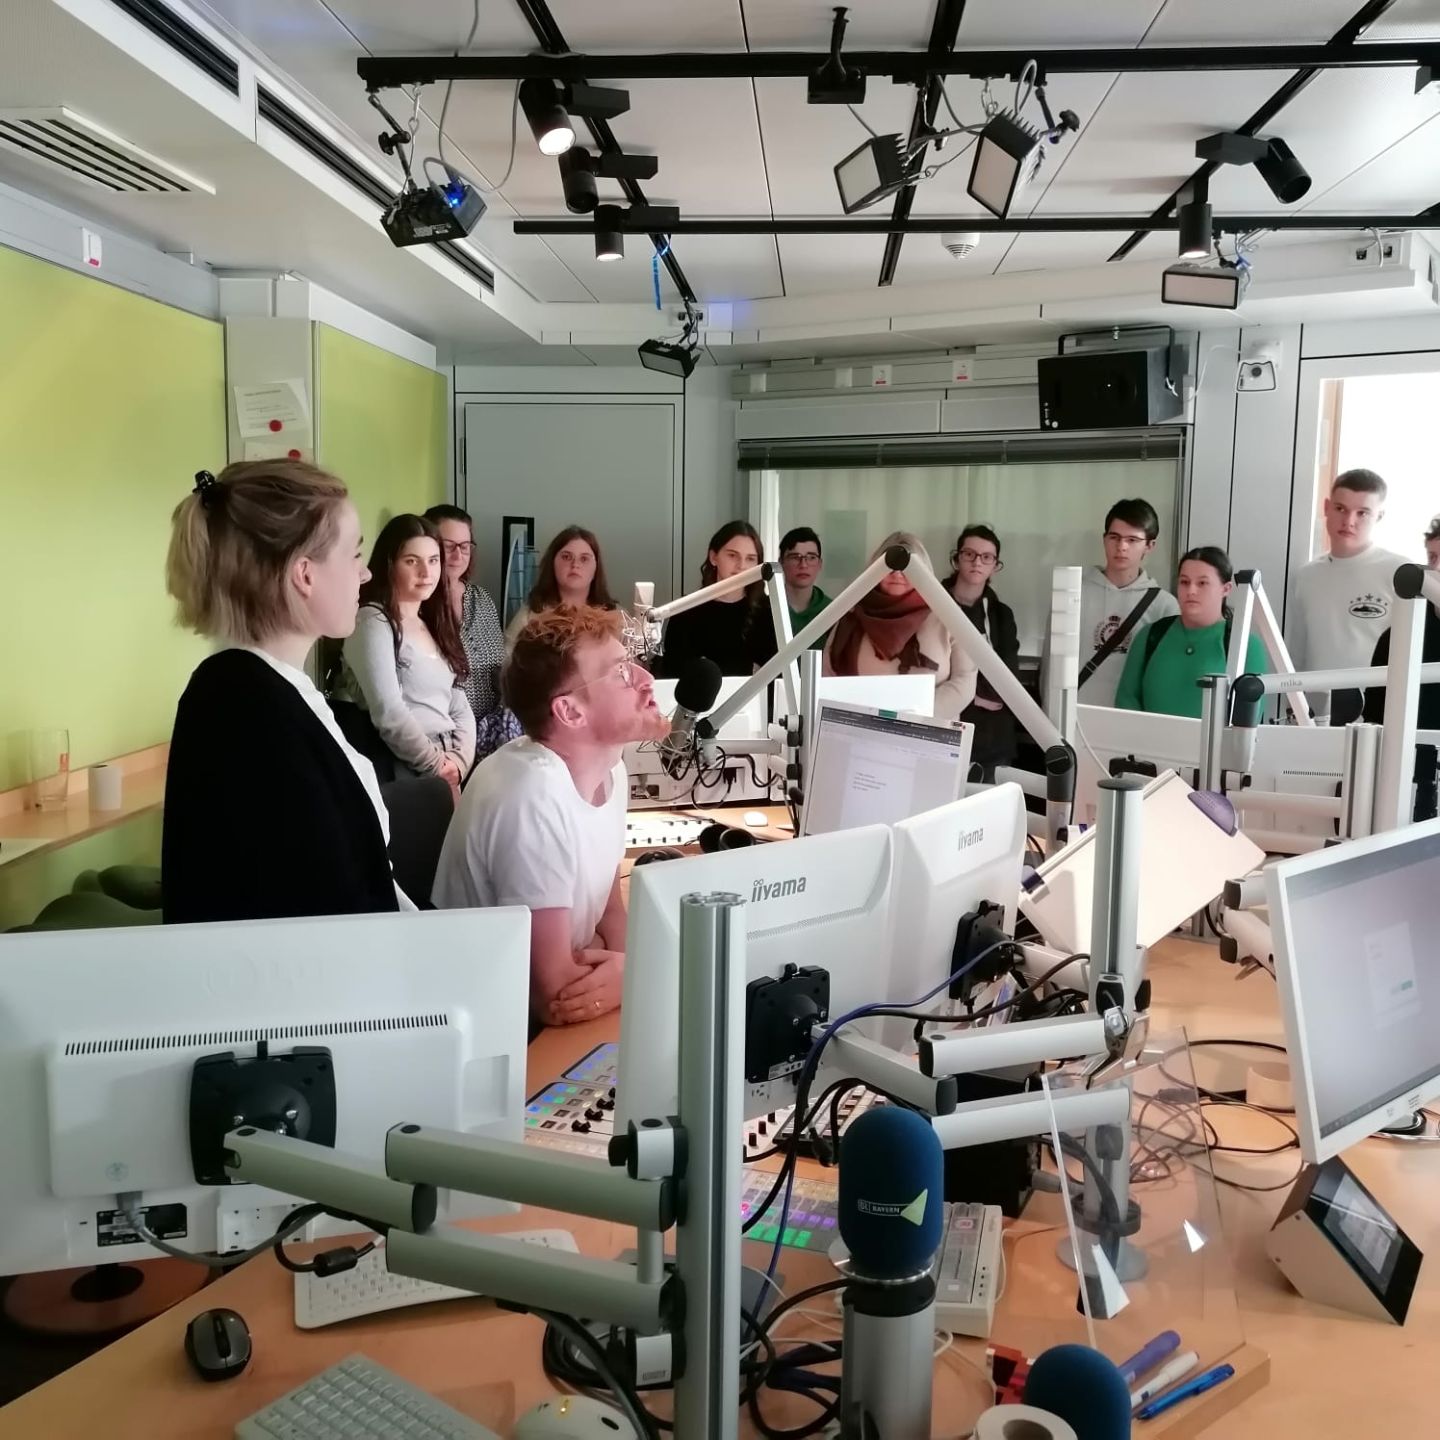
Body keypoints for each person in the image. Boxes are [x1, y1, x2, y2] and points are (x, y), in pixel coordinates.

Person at [162, 461, 411, 923]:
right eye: (355, 555)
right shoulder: (243, 706)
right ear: (305, 574)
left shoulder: (273, 688)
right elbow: (316, 905)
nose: (364, 575)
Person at [433, 606, 667, 1029]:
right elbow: (556, 997)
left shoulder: (611, 769)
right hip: (492, 1026)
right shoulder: (531, 792)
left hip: (535, 1012)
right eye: (620, 672)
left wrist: (624, 967)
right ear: (570, 712)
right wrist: (631, 972)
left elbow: (609, 914)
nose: (645, 679)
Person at [336, 514, 476, 791]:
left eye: (433, 560)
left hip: (447, 763)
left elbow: (457, 700)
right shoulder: (373, 621)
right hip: (404, 764)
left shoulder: (433, 622)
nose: (426, 572)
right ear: (389, 565)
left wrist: (459, 762)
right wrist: (437, 766)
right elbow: (388, 712)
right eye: (412, 561)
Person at [1288, 468, 1408, 725]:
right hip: (1312, 719)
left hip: (1378, 721)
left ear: (1379, 516)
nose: (1349, 521)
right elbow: (1296, 653)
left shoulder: (1400, 573)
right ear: (1326, 507)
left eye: (1362, 513)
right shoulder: (1307, 576)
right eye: (1341, 508)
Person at [823, 532, 977, 720]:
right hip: (860, 728)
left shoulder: (948, 615)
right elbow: (828, 675)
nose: (897, 573)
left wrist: (915, 718)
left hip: (929, 730)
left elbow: (965, 681)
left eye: (906, 567)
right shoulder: (850, 614)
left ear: (922, 570)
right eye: (890, 566)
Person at [1115, 546, 1265, 718]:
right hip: (1146, 735)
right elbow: (1126, 699)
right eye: (1184, 582)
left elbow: (1250, 718)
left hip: (1213, 737)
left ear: (1226, 589)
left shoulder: (1245, 644)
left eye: (1202, 583)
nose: (1191, 591)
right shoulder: (1150, 635)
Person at [424, 503, 518, 763]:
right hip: (441, 743)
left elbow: (498, 668)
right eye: (448, 546)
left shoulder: (482, 599)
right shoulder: (417, 605)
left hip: (489, 738)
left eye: (465, 546)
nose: (458, 555)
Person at [1072, 499, 1180, 708]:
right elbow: (1051, 666)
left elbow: (1167, 678)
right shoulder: (1074, 594)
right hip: (1075, 714)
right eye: (1114, 537)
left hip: (1133, 719)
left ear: (1149, 545)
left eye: (1132, 540)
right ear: (1104, 539)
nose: (1121, 547)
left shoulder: (1164, 606)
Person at [943, 525, 1021, 771]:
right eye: (969, 554)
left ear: (995, 566)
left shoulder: (1001, 615)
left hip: (992, 741)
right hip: (942, 733)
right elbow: (928, 677)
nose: (977, 562)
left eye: (986, 557)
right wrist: (976, 693)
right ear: (957, 559)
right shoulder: (932, 605)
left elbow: (1005, 684)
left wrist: (959, 687)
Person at [661, 520, 778, 677]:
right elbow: (672, 673)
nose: (741, 566)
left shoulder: (770, 612)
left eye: (750, 559)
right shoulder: (686, 610)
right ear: (713, 557)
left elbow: (779, 676)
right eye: (732, 555)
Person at [1363, 516, 1440, 731]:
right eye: (1433, 557)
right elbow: (1374, 717)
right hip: (1407, 750)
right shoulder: (1399, 637)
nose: (1438, 567)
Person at [506, 525, 632, 646]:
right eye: (566, 557)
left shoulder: (619, 618)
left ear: (596, 568)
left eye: (584, 559)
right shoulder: (529, 617)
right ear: (552, 564)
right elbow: (508, 659)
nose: (575, 564)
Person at [779, 526, 831, 647]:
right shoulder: (764, 608)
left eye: (811, 557)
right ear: (781, 562)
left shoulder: (832, 611)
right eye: (795, 557)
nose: (803, 565)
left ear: (820, 564)